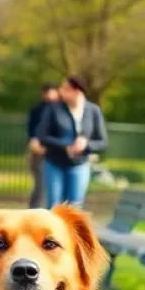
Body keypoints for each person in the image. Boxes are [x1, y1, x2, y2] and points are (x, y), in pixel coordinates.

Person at [37, 76, 107, 207]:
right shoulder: (53, 109)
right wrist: (65, 145)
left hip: (79, 165)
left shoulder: (93, 111)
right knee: (54, 205)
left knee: (74, 207)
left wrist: (87, 145)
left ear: (77, 91)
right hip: (54, 163)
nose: (61, 91)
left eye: (65, 89)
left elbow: (102, 142)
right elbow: (42, 136)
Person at [27, 82, 59, 207]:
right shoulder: (38, 109)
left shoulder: (61, 109)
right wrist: (34, 141)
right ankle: (34, 209)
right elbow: (32, 129)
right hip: (40, 149)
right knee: (40, 183)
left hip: (55, 151)